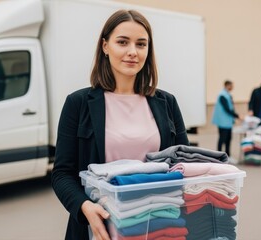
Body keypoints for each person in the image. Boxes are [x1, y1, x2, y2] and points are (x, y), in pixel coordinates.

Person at [51, 10, 190, 240]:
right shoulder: (78, 103)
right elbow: (62, 173)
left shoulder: (167, 103)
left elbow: (184, 166)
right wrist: (84, 206)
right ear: (105, 46)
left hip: (159, 226)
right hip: (100, 227)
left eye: (141, 44)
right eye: (123, 42)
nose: (132, 52)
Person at [212, 80, 240, 157]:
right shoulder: (222, 95)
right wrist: (237, 116)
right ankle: (218, 156)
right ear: (227, 85)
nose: (232, 87)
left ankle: (228, 156)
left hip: (227, 122)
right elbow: (227, 109)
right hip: (223, 122)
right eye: (231, 86)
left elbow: (231, 107)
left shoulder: (227, 95)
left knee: (228, 140)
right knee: (222, 139)